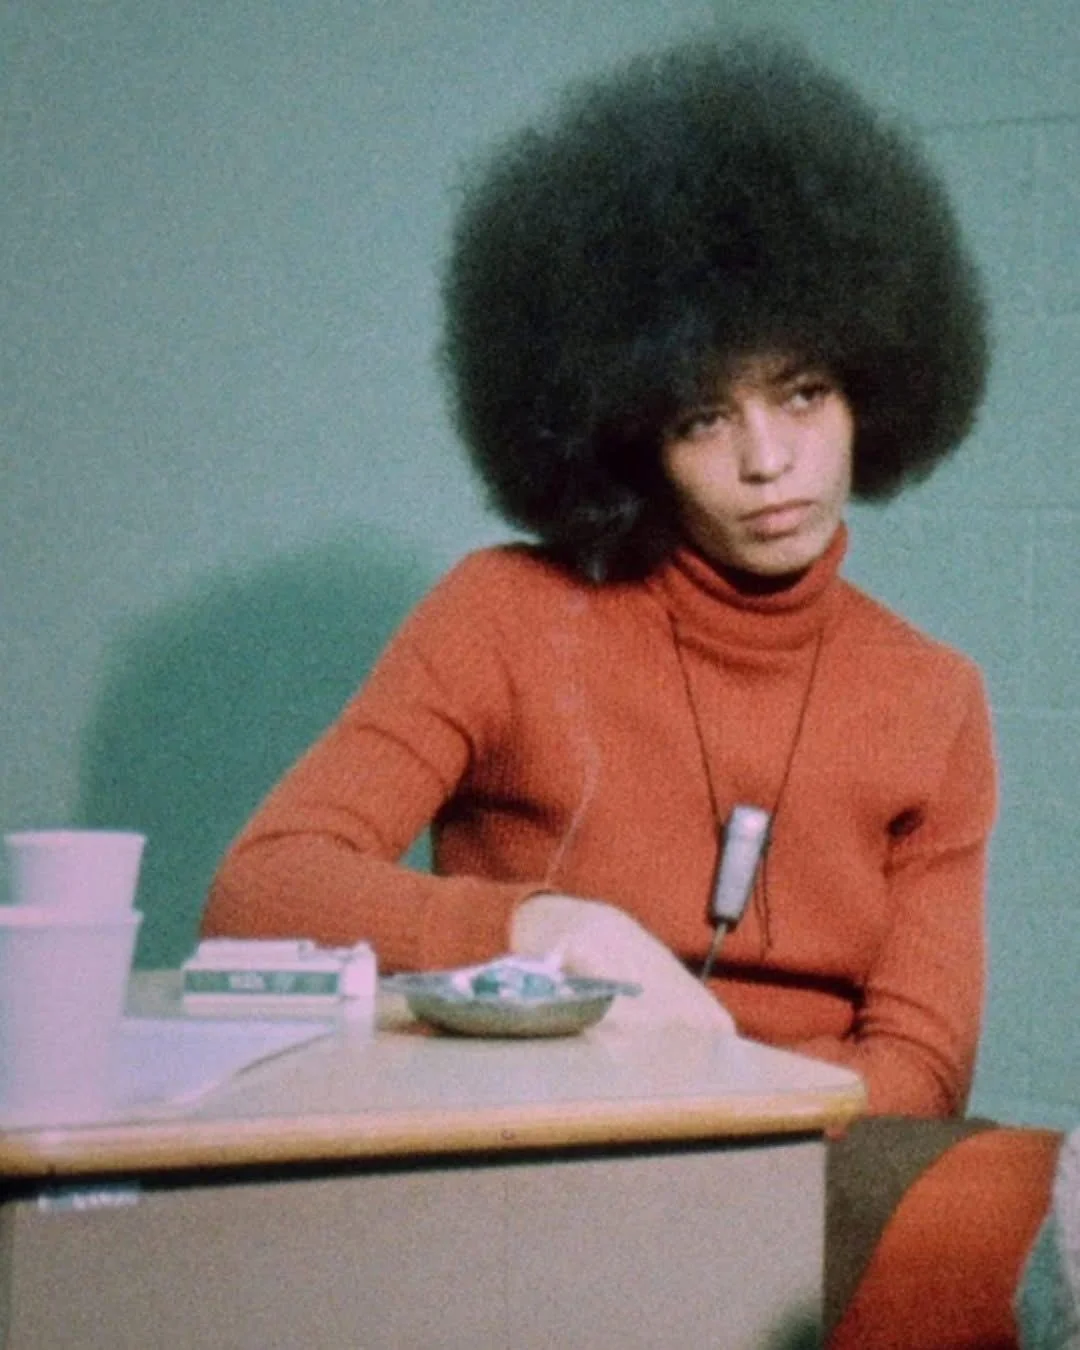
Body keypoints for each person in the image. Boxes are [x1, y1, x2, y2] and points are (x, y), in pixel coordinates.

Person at [203, 34, 1062, 1347]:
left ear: (874, 393)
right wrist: (537, 932)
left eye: (804, 391)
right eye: (701, 416)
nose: (768, 459)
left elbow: (920, 1073)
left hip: (824, 1159)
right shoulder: (505, 614)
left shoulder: (934, 698)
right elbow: (259, 888)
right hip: (547, 1160)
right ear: (623, 428)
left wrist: (716, 1076)